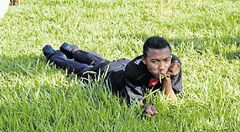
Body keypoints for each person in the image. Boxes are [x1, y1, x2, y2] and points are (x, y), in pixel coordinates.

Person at [42, 36, 182, 116]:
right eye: (155, 61)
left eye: (165, 60)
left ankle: (71, 49)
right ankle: (55, 56)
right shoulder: (134, 72)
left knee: (99, 61)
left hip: (121, 64)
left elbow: (171, 99)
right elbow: (135, 102)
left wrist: (167, 77)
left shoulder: (173, 64)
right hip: (111, 74)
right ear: (145, 60)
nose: (162, 66)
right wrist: (145, 106)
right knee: (85, 70)